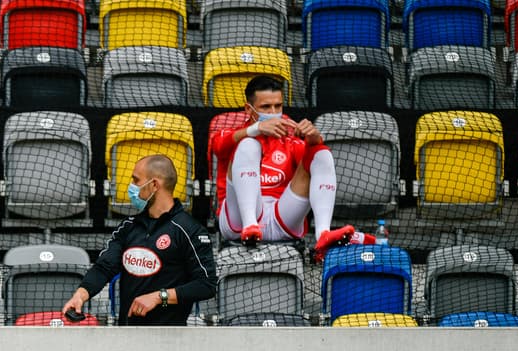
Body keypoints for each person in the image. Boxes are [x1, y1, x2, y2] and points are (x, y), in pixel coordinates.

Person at [211, 75, 377, 262]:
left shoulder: (288, 141)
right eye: (266, 107)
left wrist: (314, 139)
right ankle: (251, 225)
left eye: (278, 106)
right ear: (249, 109)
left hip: (281, 219)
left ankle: (323, 234)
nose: (273, 112)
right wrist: (256, 128)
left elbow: (315, 164)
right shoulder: (234, 135)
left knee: (321, 154)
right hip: (238, 222)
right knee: (249, 145)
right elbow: (218, 146)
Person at [62, 154, 216, 326]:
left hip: (169, 339)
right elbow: (103, 268)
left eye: (136, 180)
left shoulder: (190, 230)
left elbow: (206, 285)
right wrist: (80, 295)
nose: (131, 187)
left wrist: (160, 297)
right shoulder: (128, 227)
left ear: (155, 185)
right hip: (127, 337)